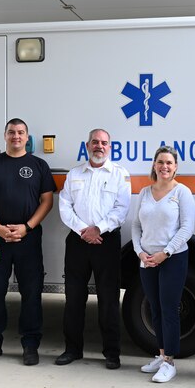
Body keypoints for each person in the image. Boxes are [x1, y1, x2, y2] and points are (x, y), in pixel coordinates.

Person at [0, 118, 57, 366]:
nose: (16, 136)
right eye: (11, 132)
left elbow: (47, 202)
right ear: (4, 136)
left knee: (31, 293)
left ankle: (30, 345)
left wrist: (26, 227)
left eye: (20, 132)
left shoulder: (39, 165)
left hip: (28, 239)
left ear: (28, 138)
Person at [56, 128, 131, 370]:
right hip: (78, 241)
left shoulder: (120, 174)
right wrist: (83, 230)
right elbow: (65, 206)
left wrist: (98, 229)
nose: (99, 146)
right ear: (87, 146)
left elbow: (121, 209)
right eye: (95, 142)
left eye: (104, 143)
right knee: (74, 298)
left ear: (110, 147)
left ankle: (112, 353)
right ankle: (72, 349)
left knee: (108, 299)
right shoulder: (75, 174)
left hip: (106, 241)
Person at [131, 146, 195, 383]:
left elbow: (187, 228)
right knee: (154, 309)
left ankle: (170, 362)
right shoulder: (145, 192)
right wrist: (140, 252)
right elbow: (136, 226)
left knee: (169, 310)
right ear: (154, 165)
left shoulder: (182, 193)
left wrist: (165, 253)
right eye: (160, 162)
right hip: (146, 260)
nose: (164, 167)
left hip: (173, 259)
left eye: (169, 162)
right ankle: (160, 355)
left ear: (175, 166)